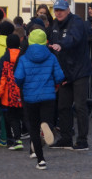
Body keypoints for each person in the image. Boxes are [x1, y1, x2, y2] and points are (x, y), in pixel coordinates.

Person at [14, 28, 64, 169]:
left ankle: (40, 160)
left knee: (33, 128)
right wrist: (55, 83)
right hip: (48, 95)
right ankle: (46, 125)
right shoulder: (51, 57)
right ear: (45, 42)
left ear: (29, 41)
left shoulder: (23, 58)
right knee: (45, 120)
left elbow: (18, 77)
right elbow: (60, 76)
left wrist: (22, 85)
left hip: (30, 97)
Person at [48, 0, 92, 150]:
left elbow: (73, 38)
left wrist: (61, 44)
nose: (58, 12)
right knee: (63, 106)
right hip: (64, 71)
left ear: (68, 10)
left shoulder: (77, 22)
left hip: (79, 70)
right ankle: (66, 138)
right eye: (56, 10)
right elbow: (50, 43)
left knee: (80, 106)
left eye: (61, 10)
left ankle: (82, 140)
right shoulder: (54, 24)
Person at [0, 33, 25, 150]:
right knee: (24, 116)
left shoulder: (4, 58)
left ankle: (13, 139)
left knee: (11, 117)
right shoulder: (23, 56)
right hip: (22, 92)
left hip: (8, 94)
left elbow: (1, 78)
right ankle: (32, 138)